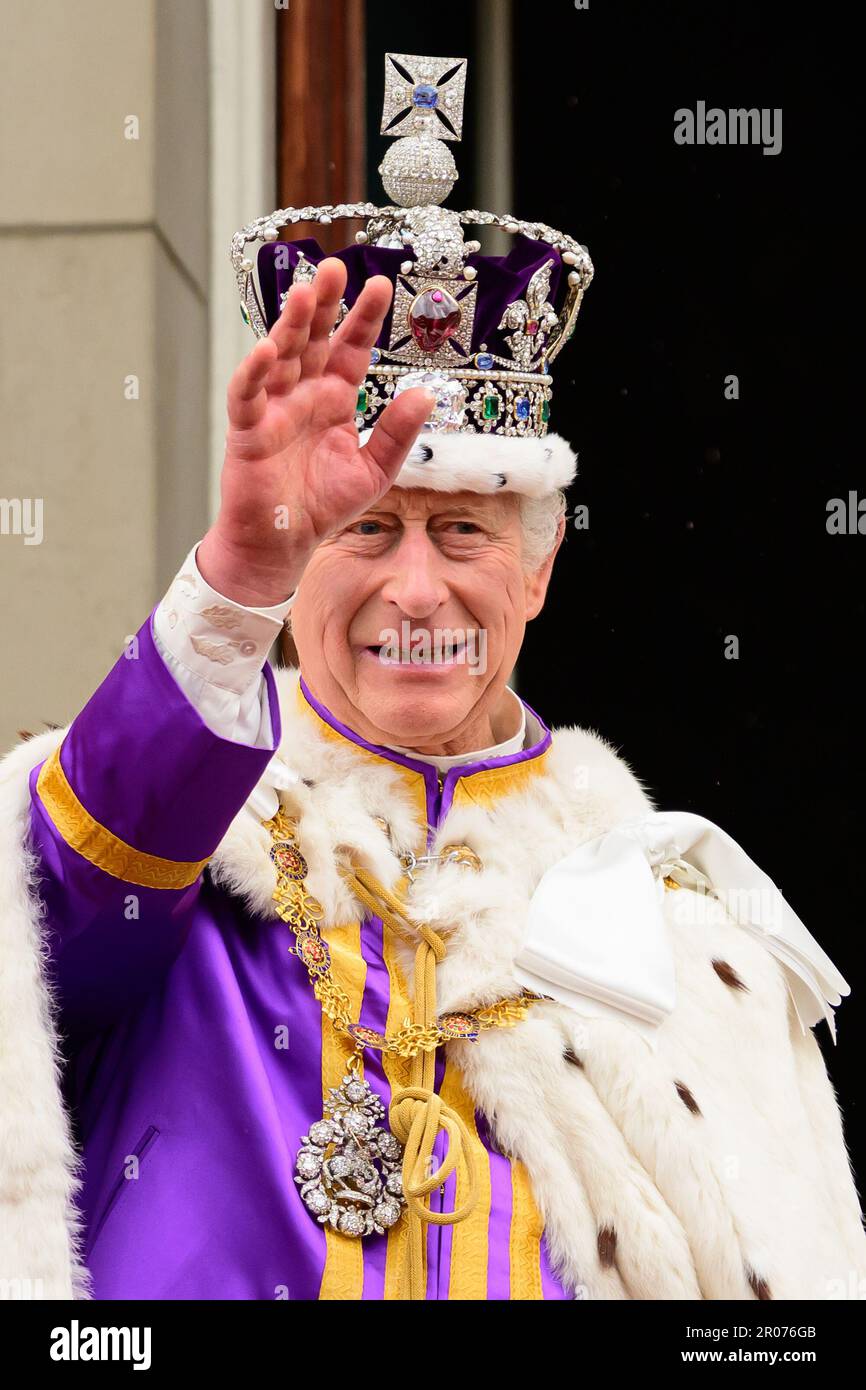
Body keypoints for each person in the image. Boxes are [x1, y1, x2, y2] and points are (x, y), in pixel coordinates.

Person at [1, 51, 863, 1303]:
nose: (415, 590)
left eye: (462, 532)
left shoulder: (679, 930)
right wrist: (235, 579)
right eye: (364, 531)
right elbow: (44, 914)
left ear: (537, 568)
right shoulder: (167, 842)